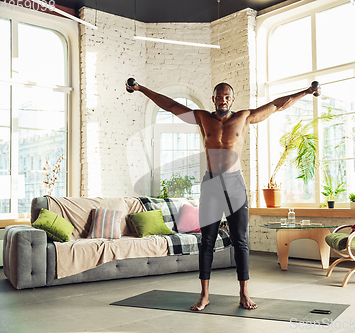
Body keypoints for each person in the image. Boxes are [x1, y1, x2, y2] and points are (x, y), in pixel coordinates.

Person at [126, 80, 320, 311]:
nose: (223, 100)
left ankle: (244, 293)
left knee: (240, 241)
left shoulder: (244, 117)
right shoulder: (202, 118)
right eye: (219, 96)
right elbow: (170, 106)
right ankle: (204, 295)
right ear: (213, 99)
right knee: (206, 241)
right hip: (211, 185)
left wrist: (307, 92)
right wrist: (140, 89)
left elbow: (277, 105)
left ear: (232, 99)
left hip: (235, 184)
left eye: (227, 97)